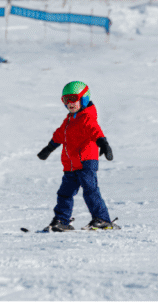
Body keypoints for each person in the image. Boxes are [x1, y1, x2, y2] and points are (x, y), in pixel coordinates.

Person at [36, 81, 116, 231]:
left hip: (86, 161)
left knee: (90, 190)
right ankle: (62, 220)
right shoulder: (68, 121)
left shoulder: (86, 118)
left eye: (73, 98)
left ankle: (102, 219)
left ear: (84, 98)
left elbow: (95, 131)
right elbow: (59, 135)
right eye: (66, 100)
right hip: (71, 164)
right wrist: (48, 148)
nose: (70, 103)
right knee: (64, 193)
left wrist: (104, 144)